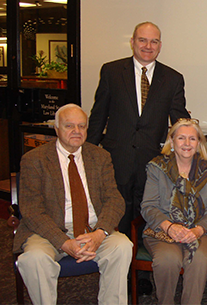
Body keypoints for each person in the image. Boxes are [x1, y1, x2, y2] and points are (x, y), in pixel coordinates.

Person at [13, 104, 133, 305]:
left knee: (122, 246)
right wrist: (63, 242)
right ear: (57, 129)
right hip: (48, 231)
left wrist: (100, 233)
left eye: (82, 126)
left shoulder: (100, 157)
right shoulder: (34, 159)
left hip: (92, 229)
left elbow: (114, 199)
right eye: (69, 126)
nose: (77, 131)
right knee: (34, 259)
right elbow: (32, 210)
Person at [87, 21, 190, 236]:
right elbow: (98, 116)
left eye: (154, 41)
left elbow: (180, 121)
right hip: (117, 158)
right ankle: (122, 263)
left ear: (160, 45)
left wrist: (190, 153)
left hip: (152, 161)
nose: (148, 46)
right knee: (119, 212)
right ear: (132, 42)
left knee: (148, 213)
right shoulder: (111, 71)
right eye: (142, 40)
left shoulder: (173, 79)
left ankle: (142, 266)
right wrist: (88, 152)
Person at [140, 118, 207, 305]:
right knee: (168, 260)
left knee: (198, 260)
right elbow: (148, 205)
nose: (186, 144)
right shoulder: (156, 167)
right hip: (162, 230)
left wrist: (197, 231)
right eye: (181, 138)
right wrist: (169, 227)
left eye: (192, 139)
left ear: (199, 143)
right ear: (171, 141)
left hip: (199, 231)